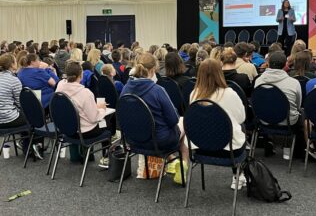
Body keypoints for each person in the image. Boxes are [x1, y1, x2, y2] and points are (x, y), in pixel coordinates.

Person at [120, 53, 188, 184]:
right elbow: (173, 120)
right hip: (158, 142)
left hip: (133, 140)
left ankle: (171, 160)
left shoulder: (125, 88)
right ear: (152, 70)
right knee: (184, 121)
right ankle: (182, 165)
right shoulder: (158, 90)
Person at [190, 59, 246, 190]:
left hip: (200, 148)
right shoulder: (230, 94)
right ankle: (238, 175)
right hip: (228, 151)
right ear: (219, 73)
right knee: (239, 127)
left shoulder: (194, 94)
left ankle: (240, 175)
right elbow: (241, 118)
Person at [56, 61, 109, 166]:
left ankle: (86, 156)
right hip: (84, 132)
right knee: (105, 122)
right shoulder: (85, 93)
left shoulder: (60, 87)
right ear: (81, 75)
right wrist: (102, 109)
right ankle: (106, 158)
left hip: (66, 129)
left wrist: (95, 107)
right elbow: (94, 118)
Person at [255, 51, 302, 126]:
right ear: (285, 65)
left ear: (268, 64)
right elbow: (298, 105)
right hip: (288, 121)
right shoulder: (294, 83)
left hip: (264, 119)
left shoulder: (258, 81)